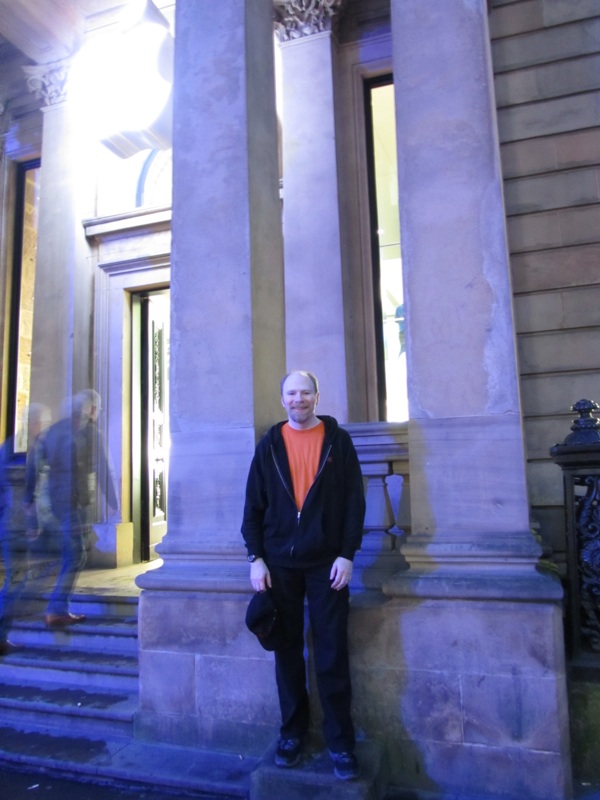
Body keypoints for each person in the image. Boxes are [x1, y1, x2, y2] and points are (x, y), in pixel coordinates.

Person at [241, 370, 366, 781]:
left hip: (328, 563)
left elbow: (354, 503)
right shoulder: (270, 445)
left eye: (305, 392)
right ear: (282, 400)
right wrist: (256, 557)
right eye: (291, 393)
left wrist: (347, 555)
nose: (299, 399)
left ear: (317, 396)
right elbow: (253, 508)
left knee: (332, 653)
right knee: (287, 653)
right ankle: (292, 734)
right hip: (279, 564)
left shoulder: (338, 442)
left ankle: (340, 743)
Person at [26, 390, 119, 628]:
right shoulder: (90, 432)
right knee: (76, 554)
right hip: (73, 502)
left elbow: (33, 464)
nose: (97, 413)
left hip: (57, 502)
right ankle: (56, 609)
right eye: (96, 408)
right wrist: (112, 502)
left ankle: (56, 608)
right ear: (91, 409)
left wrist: (29, 500)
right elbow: (103, 468)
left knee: (74, 552)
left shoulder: (54, 430)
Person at [0, 404, 51, 654]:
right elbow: (30, 493)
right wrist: (35, 525)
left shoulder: (9, 446)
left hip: (9, 525)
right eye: (43, 423)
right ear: (34, 423)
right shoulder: (31, 449)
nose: (44, 428)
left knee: (17, 579)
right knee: (17, 581)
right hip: (17, 528)